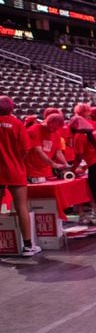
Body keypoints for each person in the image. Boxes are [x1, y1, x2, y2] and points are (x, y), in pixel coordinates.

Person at [0, 96, 38, 256]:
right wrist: (15, 160)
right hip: (16, 170)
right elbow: (25, 149)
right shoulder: (17, 124)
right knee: (21, 207)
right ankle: (28, 246)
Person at [26, 113, 68, 181]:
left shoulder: (56, 133)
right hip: (32, 171)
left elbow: (58, 152)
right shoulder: (34, 130)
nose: (55, 130)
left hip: (47, 172)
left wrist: (65, 164)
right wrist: (53, 164)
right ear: (49, 123)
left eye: (57, 129)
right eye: (54, 128)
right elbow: (38, 151)